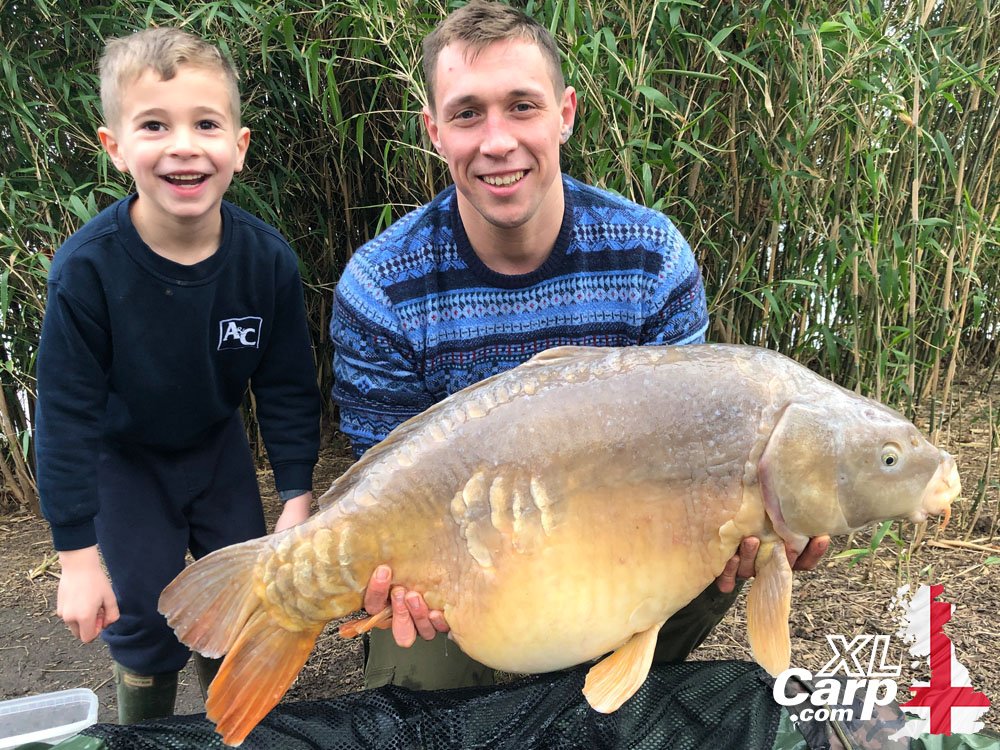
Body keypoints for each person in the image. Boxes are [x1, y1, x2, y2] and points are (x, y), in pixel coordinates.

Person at [330, 0, 827, 692]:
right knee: (420, 661)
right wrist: (396, 577)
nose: (497, 140)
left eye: (522, 106)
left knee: (713, 556)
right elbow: (387, 480)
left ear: (564, 113)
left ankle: (612, 692)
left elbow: (695, 452)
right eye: (468, 113)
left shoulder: (651, 258)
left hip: (619, 550)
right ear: (435, 132)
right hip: (468, 568)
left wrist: (765, 525)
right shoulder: (381, 285)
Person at [34, 28, 321, 724]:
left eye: (206, 124)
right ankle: (150, 732)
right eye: (154, 125)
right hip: (124, 459)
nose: (184, 145)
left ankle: (235, 721)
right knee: (140, 618)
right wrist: (76, 556)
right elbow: (63, 417)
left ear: (240, 148)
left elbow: (286, 388)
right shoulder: (87, 271)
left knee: (245, 602)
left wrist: (296, 493)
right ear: (114, 148)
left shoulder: (268, 262)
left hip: (216, 448)